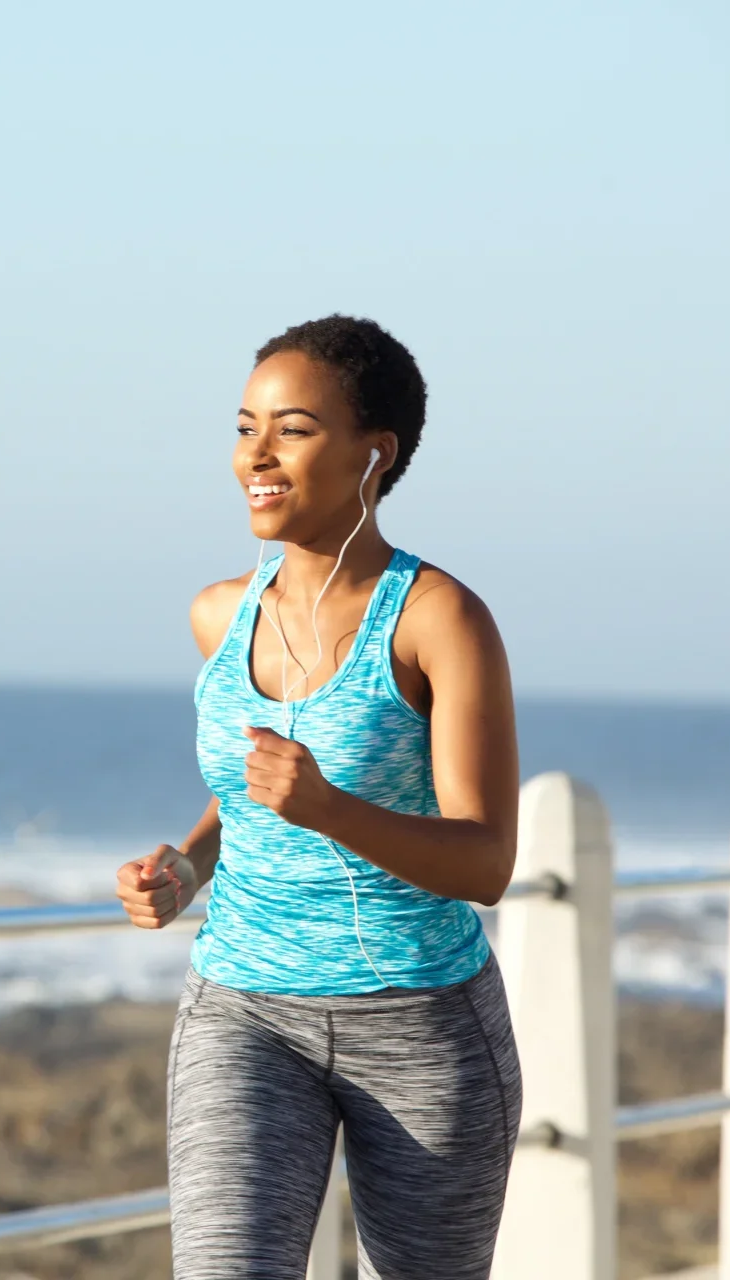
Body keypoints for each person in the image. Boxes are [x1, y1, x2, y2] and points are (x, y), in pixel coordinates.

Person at [114, 315, 523, 1280]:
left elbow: (486, 860)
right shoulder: (219, 613)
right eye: (245, 426)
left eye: (292, 429)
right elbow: (247, 795)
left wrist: (331, 808)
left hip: (420, 1022)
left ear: (372, 454)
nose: (256, 454)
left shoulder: (439, 620)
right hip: (243, 1007)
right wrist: (186, 866)